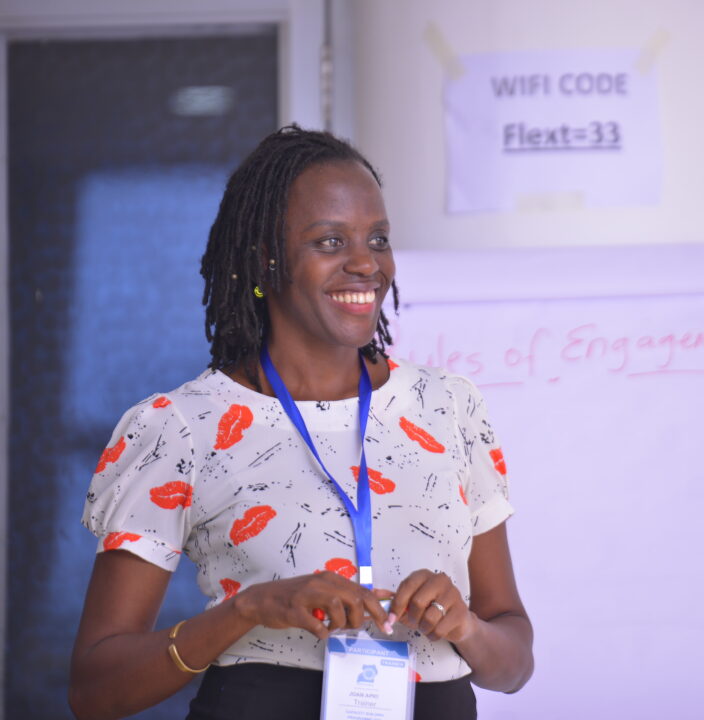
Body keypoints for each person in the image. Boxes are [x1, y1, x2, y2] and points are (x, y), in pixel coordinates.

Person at [68, 126, 534, 720]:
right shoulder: (179, 427)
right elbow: (95, 691)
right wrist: (249, 609)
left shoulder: (449, 407)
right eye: (330, 241)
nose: (365, 264)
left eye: (378, 239)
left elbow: (514, 666)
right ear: (265, 258)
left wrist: (465, 625)